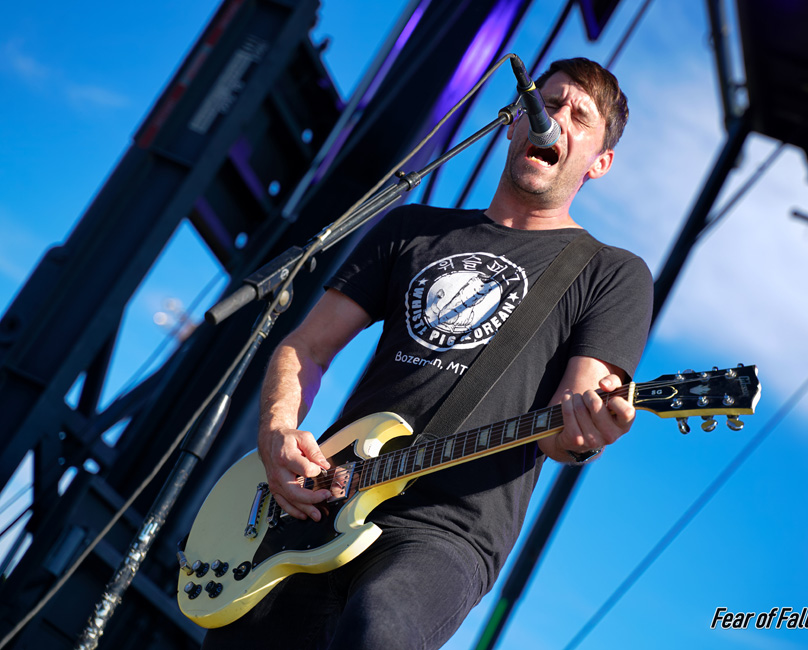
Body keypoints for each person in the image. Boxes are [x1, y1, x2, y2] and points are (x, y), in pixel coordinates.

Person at [202, 57, 653, 650]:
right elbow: (306, 348)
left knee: (380, 630)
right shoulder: (411, 227)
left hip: (449, 526)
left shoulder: (609, 273)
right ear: (516, 121)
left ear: (599, 162)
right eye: (545, 103)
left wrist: (588, 428)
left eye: (579, 116)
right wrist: (278, 430)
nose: (554, 119)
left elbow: (567, 420)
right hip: (327, 495)